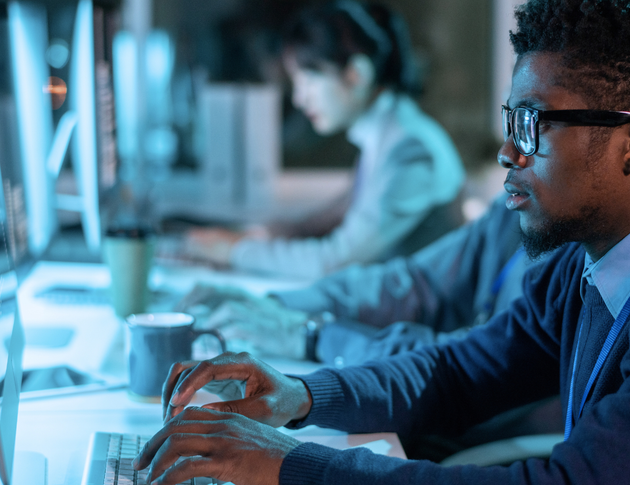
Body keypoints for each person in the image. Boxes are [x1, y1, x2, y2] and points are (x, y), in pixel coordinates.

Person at [134, 0, 630, 483]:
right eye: (510, 121)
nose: (506, 153)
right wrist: (300, 395)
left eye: (531, 123)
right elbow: (456, 372)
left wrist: (288, 462)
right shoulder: (579, 268)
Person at [182, 1, 465, 279]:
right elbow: (346, 208)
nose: (299, 98)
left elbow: (335, 260)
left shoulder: (409, 149)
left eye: (308, 80)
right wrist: (279, 233)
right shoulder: (390, 134)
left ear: (356, 75)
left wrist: (235, 251)